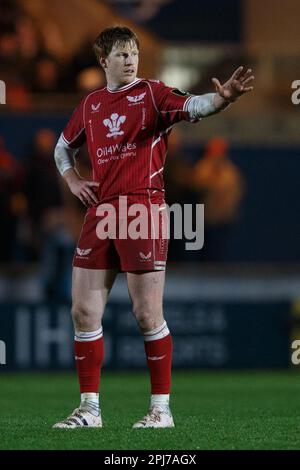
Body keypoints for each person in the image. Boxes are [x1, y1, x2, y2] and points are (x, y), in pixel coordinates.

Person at [52, 26, 254, 429]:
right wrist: (73, 179)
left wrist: (223, 99)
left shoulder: (153, 94)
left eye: (134, 53)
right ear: (103, 61)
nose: (130, 60)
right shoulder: (90, 105)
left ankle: (161, 410)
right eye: (121, 54)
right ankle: (90, 410)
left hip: (143, 210)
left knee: (147, 314)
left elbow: (195, 106)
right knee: (83, 312)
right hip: (101, 214)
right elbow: (62, 147)